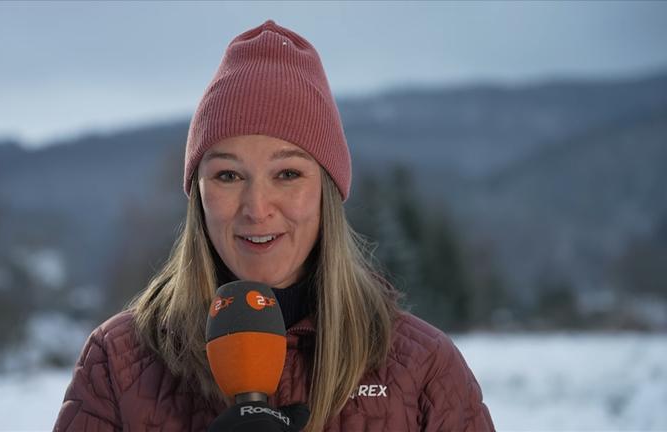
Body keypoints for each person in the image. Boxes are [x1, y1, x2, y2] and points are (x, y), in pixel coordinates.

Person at [54, 20, 494, 432]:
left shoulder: (423, 369)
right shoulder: (118, 363)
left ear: (326, 190)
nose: (257, 208)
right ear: (198, 193)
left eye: (287, 174)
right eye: (228, 175)